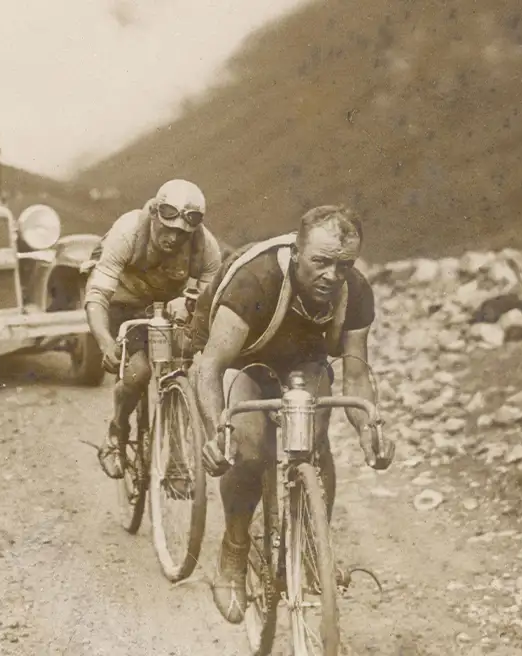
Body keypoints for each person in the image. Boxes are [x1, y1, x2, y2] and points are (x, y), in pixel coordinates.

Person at [189, 204, 395, 624]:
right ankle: (234, 548)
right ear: (297, 252)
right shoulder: (257, 280)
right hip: (245, 359)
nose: (332, 276)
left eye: (344, 265)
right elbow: (209, 368)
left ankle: (312, 547)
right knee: (246, 449)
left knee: (315, 443)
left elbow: (355, 374)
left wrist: (368, 429)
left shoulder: (354, 290)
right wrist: (217, 434)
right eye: (321, 262)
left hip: (303, 362)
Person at [83, 179, 224, 484]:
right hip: (123, 303)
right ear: (156, 215)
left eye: (182, 234)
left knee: (181, 369)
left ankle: (175, 457)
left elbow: (208, 300)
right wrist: (105, 341)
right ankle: (117, 430)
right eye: (166, 229)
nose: (173, 239)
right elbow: (97, 295)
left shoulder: (206, 247)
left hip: (166, 306)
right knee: (139, 370)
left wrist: (188, 305)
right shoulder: (128, 231)